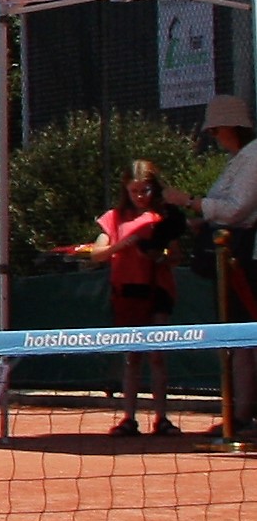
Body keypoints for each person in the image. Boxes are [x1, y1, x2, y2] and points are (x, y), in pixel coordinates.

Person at [60, 160, 187, 435]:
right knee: (132, 356)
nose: (140, 196)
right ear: (126, 190)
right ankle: (129, 418)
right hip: (128, 291)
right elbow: (97, 253)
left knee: (157, 355)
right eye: (134, 191)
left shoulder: (162, 217)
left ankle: (162, 418)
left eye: (145, 190)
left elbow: (175, 255)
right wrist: (123, 245)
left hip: (157, 290)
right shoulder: (114, 218)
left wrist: (156, 255)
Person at [193, 96, 257, 433]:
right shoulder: (238, 161)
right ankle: (241, 413)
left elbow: (235, 211)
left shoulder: (254, 157)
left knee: (248, 336)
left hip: (246, 260)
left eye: (216, 128)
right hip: (233, 262)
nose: (214, 135)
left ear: (231, 126)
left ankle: (243, 414)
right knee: (239, 338)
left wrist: (191, 202)